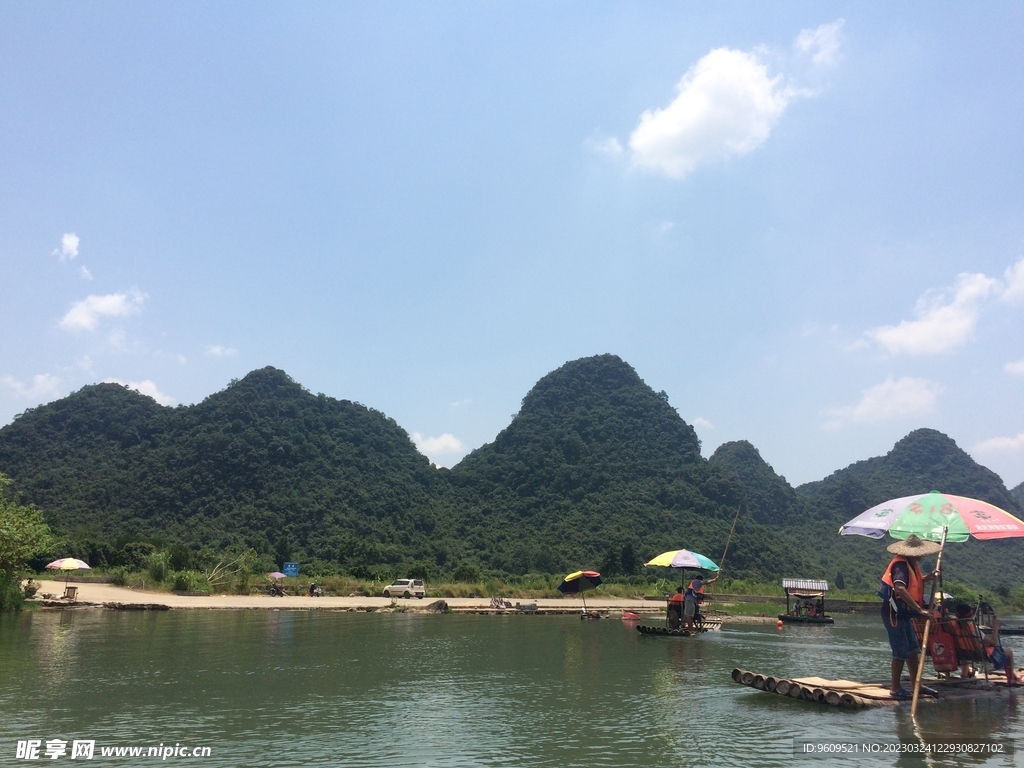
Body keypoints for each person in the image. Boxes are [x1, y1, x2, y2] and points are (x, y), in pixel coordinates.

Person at [879, 535, 940, 700]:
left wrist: (928, 578)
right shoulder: (900, 565)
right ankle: (895, 687)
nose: (922, 555)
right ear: (912, 553)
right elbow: (899, 588)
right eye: (919, 552)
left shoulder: (911, 565)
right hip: (894, 613)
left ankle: (916, 684)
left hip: (905, 613)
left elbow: (913, 583)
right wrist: (920, 609)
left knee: (913, 649)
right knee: (900, 650)